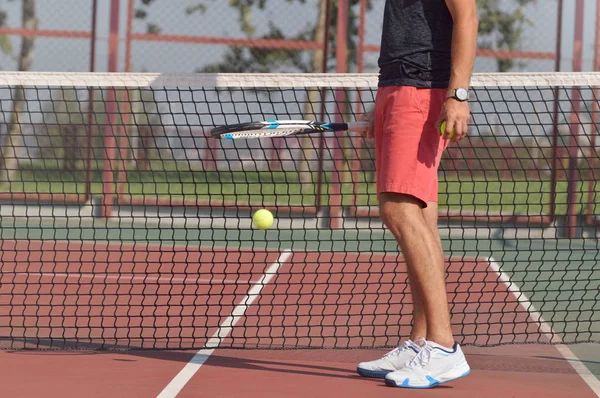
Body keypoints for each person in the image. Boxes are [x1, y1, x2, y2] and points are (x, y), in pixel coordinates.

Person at [356, 0, 479, 389]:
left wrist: (458, 95)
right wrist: (383, 105)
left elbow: (467, 16)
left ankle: (444, 347)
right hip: (397, 86)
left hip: (421, 89)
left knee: (398, 209)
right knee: (420, 215)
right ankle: (422, 341)